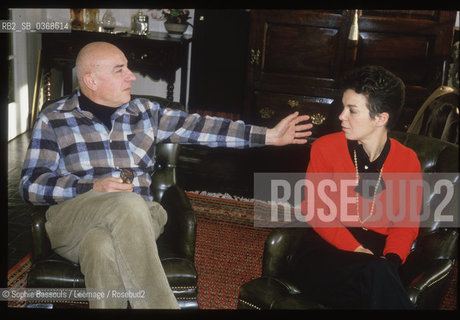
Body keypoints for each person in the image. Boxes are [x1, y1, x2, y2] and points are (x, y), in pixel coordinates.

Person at [19, 42, 313, 309]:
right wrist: (91, 186)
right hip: (74, 220)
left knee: (104, 243)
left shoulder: (146, 112)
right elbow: (31, 185)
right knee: (126, 203)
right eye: (120, 70)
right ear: (91, 80)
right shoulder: (54, 119)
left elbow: (204, 128)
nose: (132, 76)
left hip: (142, 217)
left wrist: (268, 136)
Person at [297, 65, 422, 309]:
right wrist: (356, 249)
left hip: (378, 257)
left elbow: (405, 224)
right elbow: (315, 209)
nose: (341, 116)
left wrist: (391, 260)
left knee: (375, 280)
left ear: (380, 118)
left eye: (352, 110)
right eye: (343, 107)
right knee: (376, 280)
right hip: (325, 253)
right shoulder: (324, 148)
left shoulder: (407, 160)